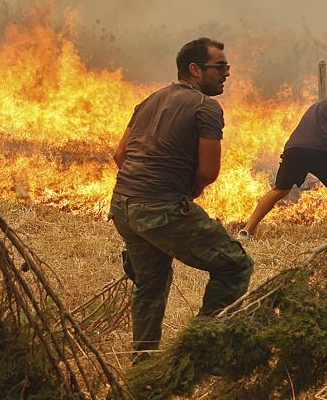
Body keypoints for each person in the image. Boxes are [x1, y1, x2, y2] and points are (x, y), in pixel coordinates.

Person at [109, 37, 254, 363]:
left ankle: (143, 362)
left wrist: (143, 187)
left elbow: (120, 154)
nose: (226, 73)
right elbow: (208, 171)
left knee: (150, 283)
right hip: (160, 207)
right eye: (220, 67)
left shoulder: (149, 100)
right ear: (194, 69)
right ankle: (198, 352)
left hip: (122, 204)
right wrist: (180, 193)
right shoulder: (206, 107)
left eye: (227, 67)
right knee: (235, 265)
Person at [239, 65, 327, 238]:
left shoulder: (324, 105)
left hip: (295, 148)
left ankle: (247, 230)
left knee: (279, 190)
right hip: (322, 147)